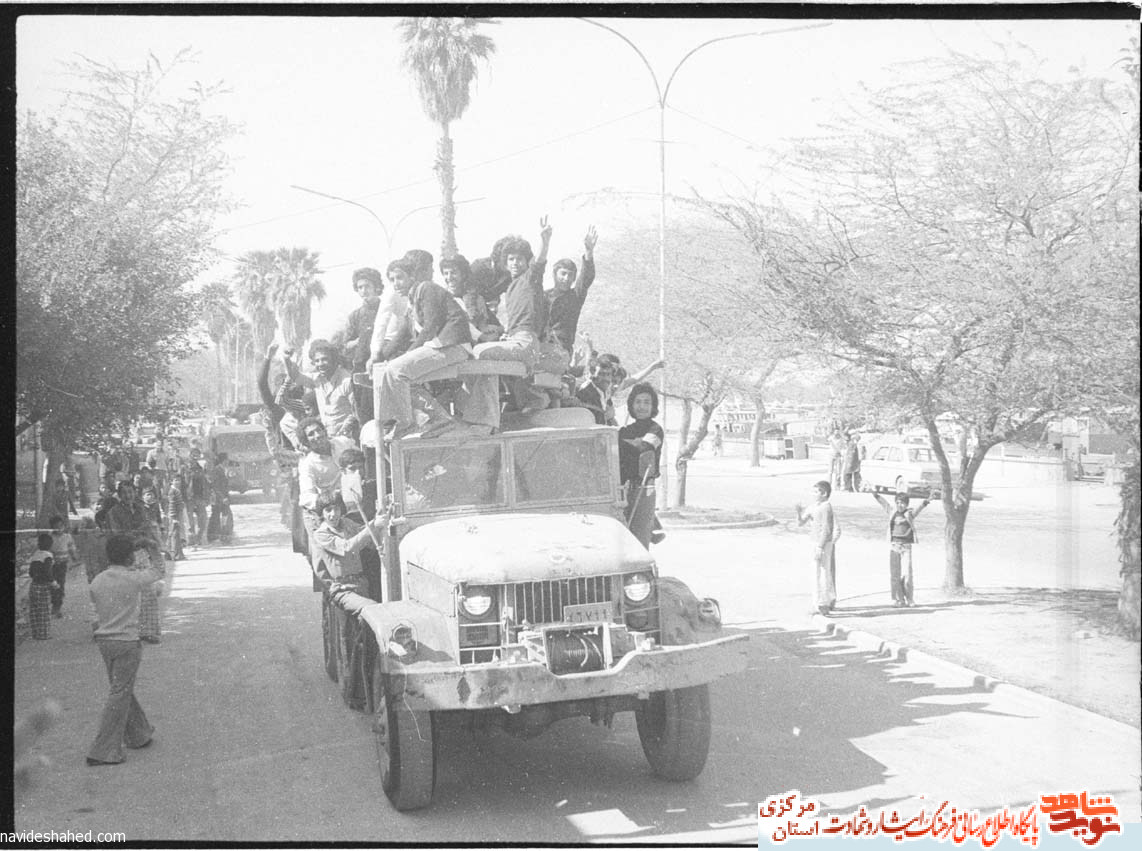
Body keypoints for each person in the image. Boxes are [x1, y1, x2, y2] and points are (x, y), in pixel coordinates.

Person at [373, 255, 498, 440]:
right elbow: (402, 334)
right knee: (390, 372)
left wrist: (407, 355)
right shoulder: (412, 301)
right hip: (440, 347)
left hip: (452, 346)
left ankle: (406, 423)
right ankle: (438, 417)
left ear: (412, 276)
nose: (396, 283)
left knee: (397, 370)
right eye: (392, 280)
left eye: (400, 277)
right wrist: (378, 356)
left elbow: (431, 326)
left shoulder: (426, 289)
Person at [86, 533, 162, 766]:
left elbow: (95, 613)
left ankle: (139, 734)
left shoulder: (97, 581)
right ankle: (103, 751)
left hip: (105, 642)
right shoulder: (133, 579)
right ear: (129, 556)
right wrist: (152, 548)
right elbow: (159, 570)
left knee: (121, 688)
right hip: (127, 642)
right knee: (120, 692)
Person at [473, 218, 554, 415]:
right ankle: (528, 398)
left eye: (519, 259)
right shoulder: (510, 288)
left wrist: (544, 241)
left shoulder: (530, 278)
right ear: (505, 262)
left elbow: (539, 263)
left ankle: (485, 411)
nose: (515, 263)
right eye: (511, 259)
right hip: (517, 339)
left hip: (526, 343)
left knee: (479, 353)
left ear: (526, 261)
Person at [107, 481, 165, 644]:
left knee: (148, 591)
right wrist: (139, 539)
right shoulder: (114, 512)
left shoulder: (140, 509)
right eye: (124, 492)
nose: (128, 495)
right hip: (124, 556)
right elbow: (117, 535)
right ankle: (128, 632)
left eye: (130, 492)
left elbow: (148, 528)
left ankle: (149, 632)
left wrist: (152, 543)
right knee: (128, 595)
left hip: (141, 553)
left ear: (135, 492)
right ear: (119, 495)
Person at [618, 383, 666, 546]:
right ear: (631, 405)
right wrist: (632, 442)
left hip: (644, 489)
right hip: (622, 490)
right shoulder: (625, 430)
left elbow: (644, 448)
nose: (642, 406)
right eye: (638, 402)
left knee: (639, 541)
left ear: (653, 406)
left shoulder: (656, 429)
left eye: (647, 402)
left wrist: (626, 443)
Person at [284, 339, 358, 441]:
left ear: (334, 359)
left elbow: (355, 413)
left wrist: (342, 434)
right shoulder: (317, 379)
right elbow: (295, 376)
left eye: (324, 359)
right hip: (328, 439)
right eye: (317, 361)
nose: (320, 364)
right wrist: (287, 359)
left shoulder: (347, 381)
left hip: (348, 439)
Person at [296, 417, 357, 540]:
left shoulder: (343, 443)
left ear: (325, 431)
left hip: (353, 503)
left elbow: (361, 459)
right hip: (330, 511)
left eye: (319, 430)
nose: (317, 435)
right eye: (311, 434)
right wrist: (328, 499)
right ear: (306, 442)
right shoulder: (307, 464)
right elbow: (306, 497)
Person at [873, 489, 934, 607]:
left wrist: (927, 500)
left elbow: (919, 508)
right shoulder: (892, 512)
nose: (899, 505)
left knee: (908, 574)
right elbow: (884, 503)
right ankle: (897, 599)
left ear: (906, 504)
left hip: (906, 547)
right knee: (895, 574)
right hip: (894, 546)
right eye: (897, 502)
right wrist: (875, 494)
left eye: (902, 503)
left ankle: (909, 598)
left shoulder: (909, 514)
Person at [546, 226, 599, 354]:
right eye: (563, 274)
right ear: (554, 275)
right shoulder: (543, 295)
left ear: (574, 278)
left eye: (570, 275)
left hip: (562, 349)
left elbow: (586, 278)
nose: (566, 278)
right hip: (542, 345)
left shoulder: (575, 296)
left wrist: (589, 251)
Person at [795, 480, 837, 616]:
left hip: (823, 544)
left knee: (823, 573)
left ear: (824, 494)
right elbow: (801, 523)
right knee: (815, 573)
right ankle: (820, 601)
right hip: (814, 542)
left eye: (816, 492)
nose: (813, 494)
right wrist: (798, 512)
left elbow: (827, 529)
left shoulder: (826, 507)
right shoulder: (814, 507)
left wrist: (820, 546)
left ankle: (823, 603)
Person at [26, 534, 58, 640]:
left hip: (33, 586)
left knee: (34, 611)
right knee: (44, 611)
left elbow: (31, 572)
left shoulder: (35, 555)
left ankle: (36, 634)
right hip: (43, 586)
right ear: (50, 545)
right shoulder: (48, 556)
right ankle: (44, 634)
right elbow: (48, 572)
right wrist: (54, 583)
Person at [48, 516, 79, 618]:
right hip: (51, 565)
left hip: (62, 565)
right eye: (56, 526)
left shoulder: (67, 537)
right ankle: (54, 603)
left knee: (60, 583)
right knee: (53, 584)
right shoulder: (50, 536)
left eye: (61, 526)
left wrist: (74, 557)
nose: (59, 528)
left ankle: (58, 605)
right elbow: (46, 549)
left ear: (64, 526)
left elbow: (71, 547)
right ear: (52, 527)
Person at [185, 448, 210, 547]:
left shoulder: (201, 468)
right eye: (193, 454)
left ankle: (198, 538)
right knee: (190, 520)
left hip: (200, 496)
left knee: (203, 519)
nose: (195, 457)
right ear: (190, 455)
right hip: (189, 497)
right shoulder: (184, 468)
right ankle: (191, 540)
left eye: (197, 455)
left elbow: (206, 483)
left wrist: (207, 497)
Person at [207, 453, 233, 545]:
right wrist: (223, 498)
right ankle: (213, 537)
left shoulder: (224, 470)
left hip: (223, 497)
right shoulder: (217, 470)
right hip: (218, 498)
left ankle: (224, 537)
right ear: (223, 460)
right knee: (216, 516)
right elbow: (216, 486)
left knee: (226, 516)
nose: (228, 461)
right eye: (227, 459)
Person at [166, 474, 189, 561]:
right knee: (175, 535)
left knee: (175, 534)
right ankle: (176, 555)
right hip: (175, 515)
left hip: (178, 514)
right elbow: (172, 505)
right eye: (175, 480)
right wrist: (174, 518)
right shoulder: (172, 491)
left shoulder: (177, 490)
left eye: (179, 480)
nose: (177, 482)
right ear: (171, 481)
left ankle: (174, 554)